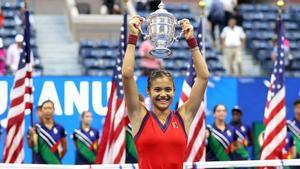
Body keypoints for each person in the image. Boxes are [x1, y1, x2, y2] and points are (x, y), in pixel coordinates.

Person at [122, 16, 209, 169]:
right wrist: (132, 38)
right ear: (148, 91)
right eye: (157, 89)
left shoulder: (184, 116)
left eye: (168, 89)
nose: (163, 94)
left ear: (174, 92)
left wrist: (192, 42)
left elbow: (203, 77)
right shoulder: (138, 116)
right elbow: (127, 75)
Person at [28, 100, 67, 164]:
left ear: (53, 110)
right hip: (39, 165)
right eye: (45, 108)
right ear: (42, 111)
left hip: (55, 165)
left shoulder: (60, 128)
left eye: (50, 108)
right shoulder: (35, 128)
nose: (47, 110)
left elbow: (64, 148)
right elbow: (30, 146)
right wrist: (31, 137)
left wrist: (55, 159)